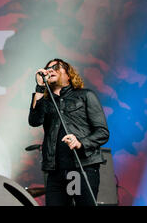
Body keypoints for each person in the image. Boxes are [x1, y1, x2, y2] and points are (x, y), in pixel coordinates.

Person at [28, 58, 109, 206]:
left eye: (56, 67)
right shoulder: (46, 102)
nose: (51, 69)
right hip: (55, 171)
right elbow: (34, 121)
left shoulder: (85, 95)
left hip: (79, 168)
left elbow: (102, 131)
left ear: (69, 74)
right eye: (48, 68)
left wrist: (80, 143)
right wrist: (39, 87)